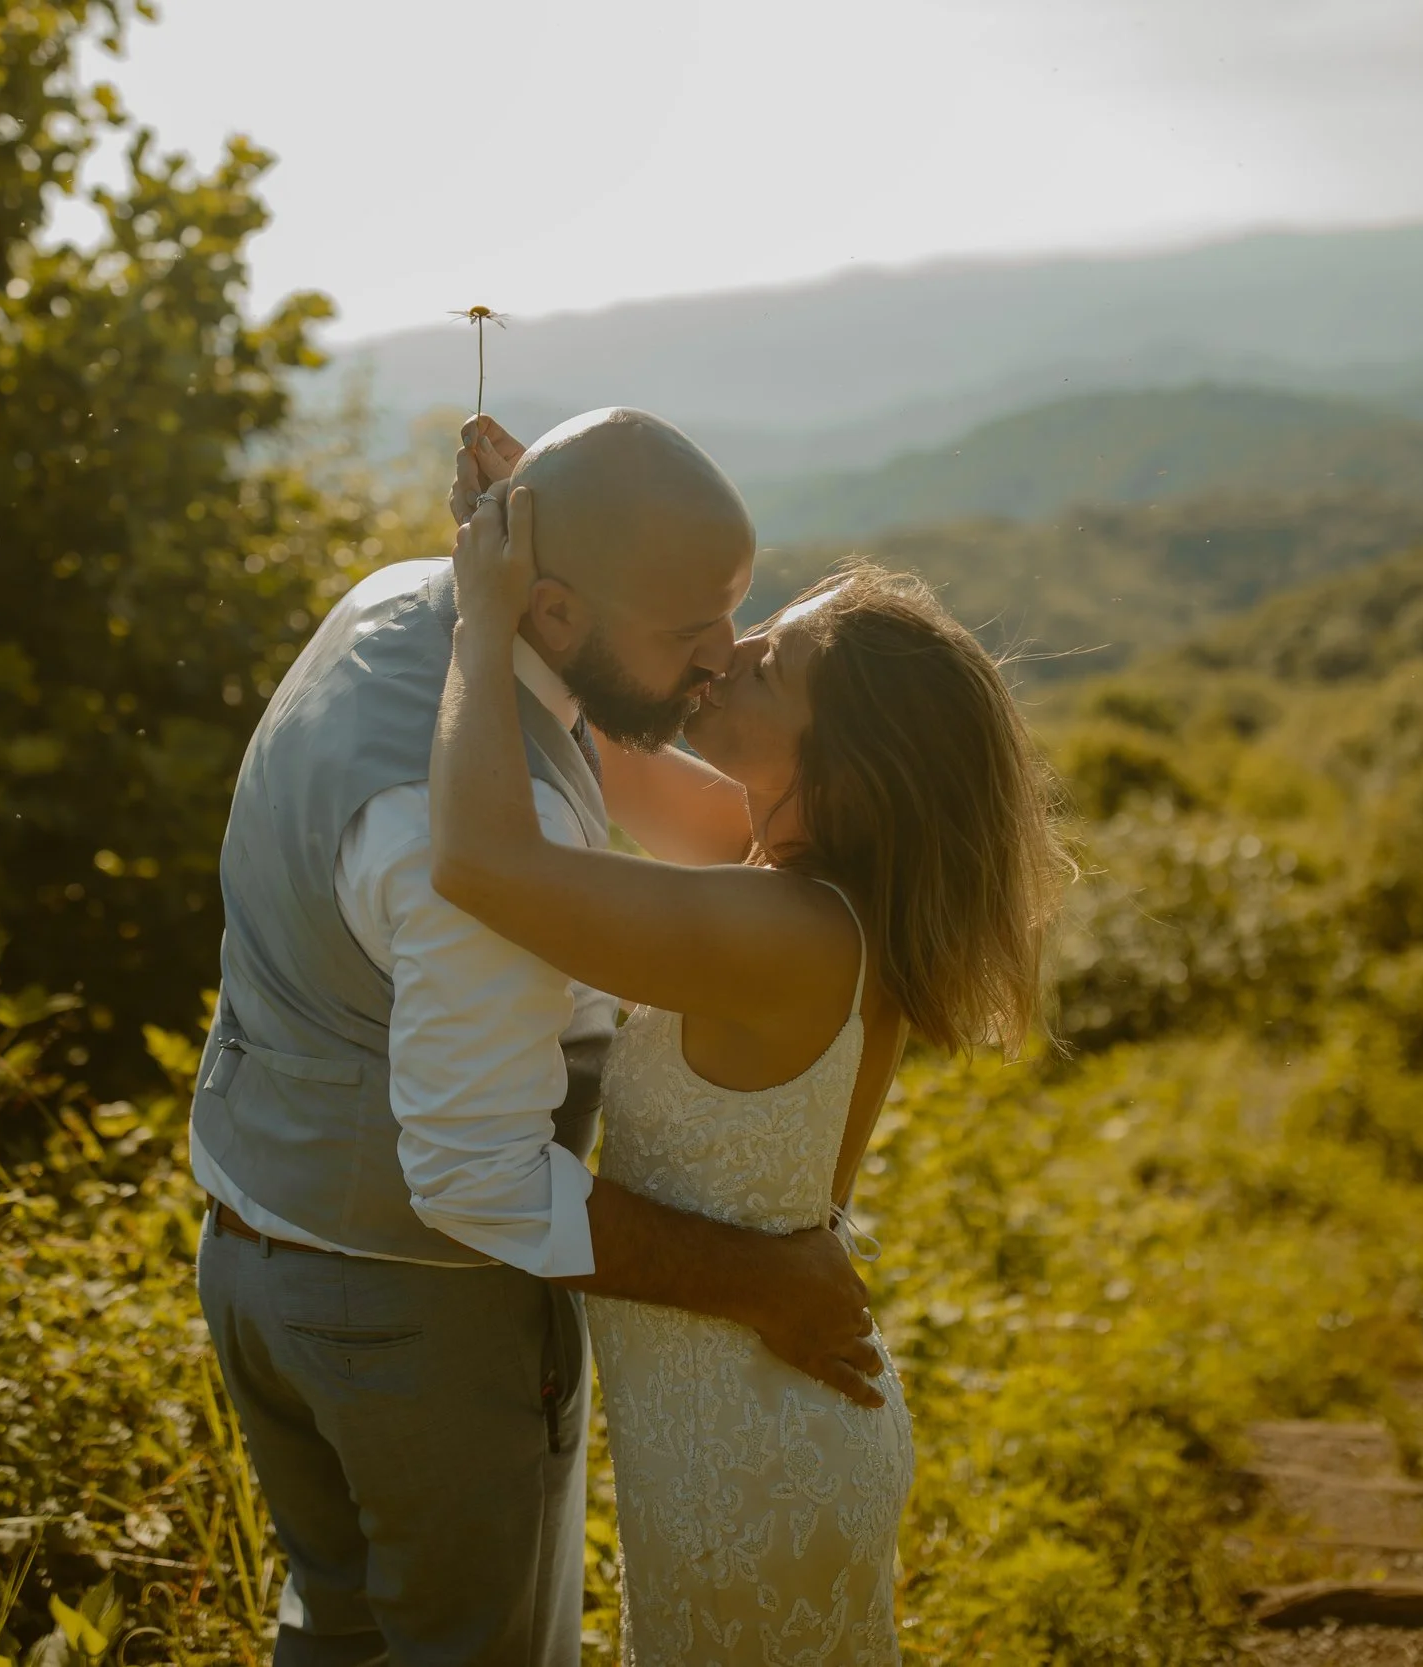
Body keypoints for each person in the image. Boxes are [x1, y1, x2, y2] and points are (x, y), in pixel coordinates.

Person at [189, 406, 887, 1667]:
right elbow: (476, 1177)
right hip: (415, 1323)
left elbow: (661, 791)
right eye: (690, 630)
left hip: (254, 1254)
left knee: (336, 1628)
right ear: (551, 612)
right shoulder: (472, 841)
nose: (721, 656)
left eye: (734, 611)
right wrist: (758, 1279)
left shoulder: (394, 606)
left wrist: (526, 549)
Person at [431, 423, 1063, 1665]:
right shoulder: (794, 885)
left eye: (771, 664)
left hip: (751, 1459)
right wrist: (532, 564)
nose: (726, 657)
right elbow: (605, 739)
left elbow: (477, 860)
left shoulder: (783, 931)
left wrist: (472, 617)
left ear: (846, 767)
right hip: (756, 1440)